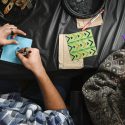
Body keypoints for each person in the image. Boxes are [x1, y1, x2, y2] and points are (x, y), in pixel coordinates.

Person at [0, 24, 74, 125]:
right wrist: (39, 71)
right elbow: (62, 118)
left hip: (8, 96)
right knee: (64, 72)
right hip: (38, 106)